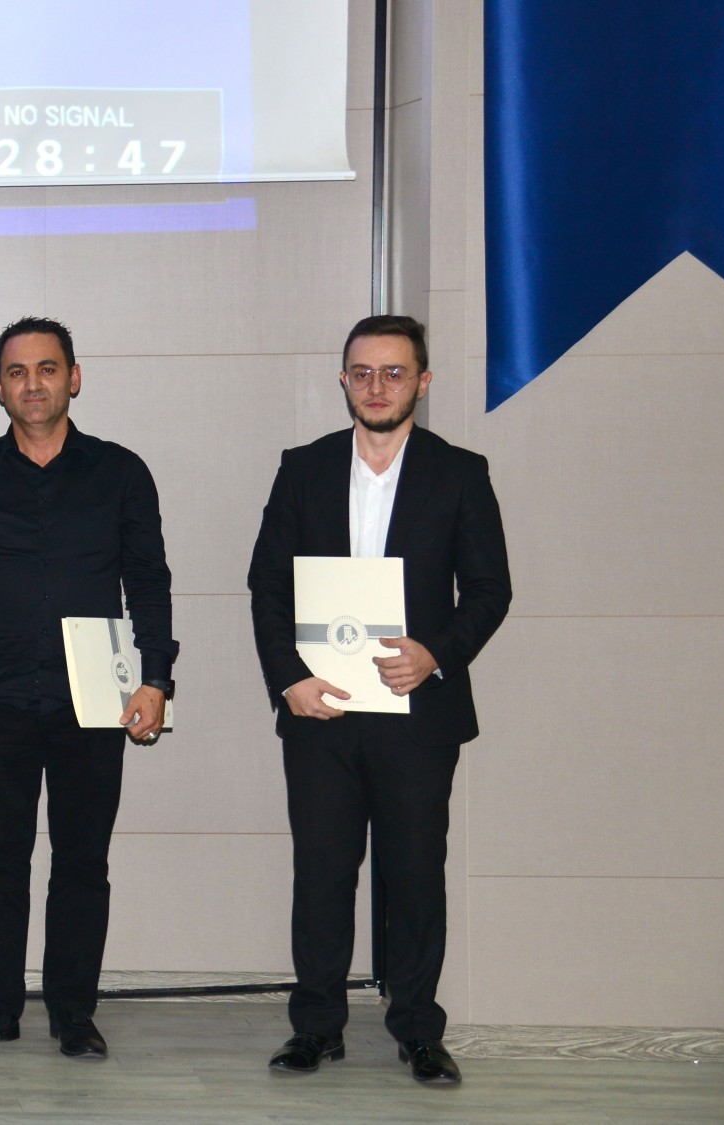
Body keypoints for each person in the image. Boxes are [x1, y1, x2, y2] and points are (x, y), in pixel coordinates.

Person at [247, 314, 511, 1085]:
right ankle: (316, 1027)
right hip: (319, 711)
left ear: (422, 382)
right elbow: (268, 584)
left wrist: (436, 654)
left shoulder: (460, 472)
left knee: (416, 876)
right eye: (362, 372)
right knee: (322, 874)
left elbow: (489, 588)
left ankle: (419, 1031)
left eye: (394, 372)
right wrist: (289, 677)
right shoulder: (303, 468)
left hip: (417, 716)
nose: (377, 386)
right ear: (344, 380)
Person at [0, 317, 176, 1060]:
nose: (31, 384)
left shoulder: (121, 472)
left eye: (46, 368)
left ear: (74, 377)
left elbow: (148, 581)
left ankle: (73, 1011)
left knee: (82, 861)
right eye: (16, 371)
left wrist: (157, 679)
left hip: (97, 698)